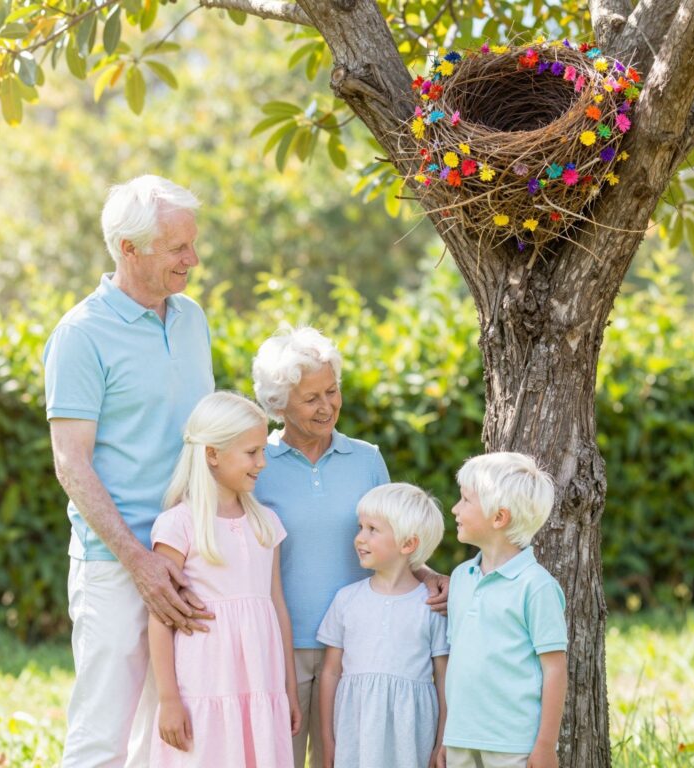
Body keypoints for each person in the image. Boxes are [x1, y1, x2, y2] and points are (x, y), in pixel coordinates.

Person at [44, 175, 215, 767]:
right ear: (129, 249)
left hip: (187, 556)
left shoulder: (191, 319)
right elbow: (71, 463)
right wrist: (138, 561)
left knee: (172, 738)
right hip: (116, 564)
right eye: (177, 248)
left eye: (192, 244)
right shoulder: (81, 335)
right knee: (102, 738)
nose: (192, 259)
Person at [251, 326, 450, 768]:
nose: (328, 406)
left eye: (332, 391)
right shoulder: (256, 464)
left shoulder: (366, 458)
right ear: (278, 404)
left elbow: (394, 536)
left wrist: (428, 574)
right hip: (285, 645)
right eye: (311, 398)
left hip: (363, 644)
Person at [149, 391, 301, 766]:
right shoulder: (178, 525)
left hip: (260, 681)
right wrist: (168, 699)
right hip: (205, 682)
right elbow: (159, 618)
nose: (262, 463)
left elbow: (277, 607)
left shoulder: (266, 524)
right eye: (252, 453)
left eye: (262, 451)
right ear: (212, 454)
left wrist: (289, 689)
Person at [441, 453, 568, 768]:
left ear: (499, 517)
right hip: (460, 738)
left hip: (513, 743)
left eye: (465, 500)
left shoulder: (536, 587)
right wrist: (446, 735)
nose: (455, 509)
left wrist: (546, 746)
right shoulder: (460, 578)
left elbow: (555, 670)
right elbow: (456, 661)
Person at [317, 483, 449, 768]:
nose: (359, 538)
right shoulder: (346, 600)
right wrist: (327, 739)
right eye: (360, 527)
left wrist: (442, 741)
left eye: (372, 530)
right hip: (354, 732)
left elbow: (444, 680)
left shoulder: (431, 607)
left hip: (410, 738)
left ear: (408, 544)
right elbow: (330, 672)